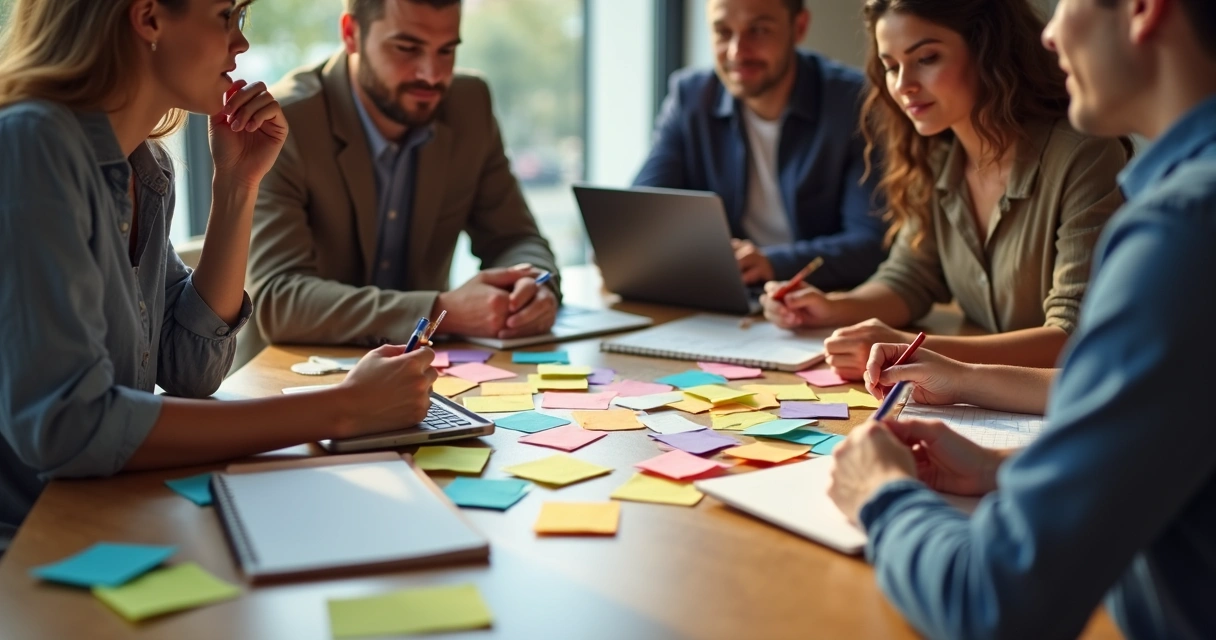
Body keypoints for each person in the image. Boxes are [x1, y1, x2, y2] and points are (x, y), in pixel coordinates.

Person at [828, 0, 1216, 635]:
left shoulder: (1182, 230)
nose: (1051, 33)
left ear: (1145, 10)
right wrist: (999, 468)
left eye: (1068, 4)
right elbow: (1167, 413)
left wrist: (881, 495)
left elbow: (993, 603)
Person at [0, 0, 440, 556]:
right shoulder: (29, 145)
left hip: (112, 519)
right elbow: (70, 427)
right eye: (225, 16)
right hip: (31, 554)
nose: (242, 44)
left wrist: (237, 184)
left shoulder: (145, 168)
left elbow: (190, 367)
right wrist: (341, 408)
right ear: (149, 18)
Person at [762, 0, 1132, 381]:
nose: (903, 85)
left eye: (926, 58)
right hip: (977, 399)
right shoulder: (936, 156)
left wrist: (907, 349)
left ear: (989, 50)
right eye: (891, 67)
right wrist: (833, 307)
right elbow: (910, 276)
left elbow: (1072, 336)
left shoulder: (1083, 155)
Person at [240, 0, 560, 366]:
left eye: (447, 50)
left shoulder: (469, 104)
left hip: (424, 375)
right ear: (351, 34)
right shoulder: (284, 122)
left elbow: (516, 238)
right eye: (407, 48)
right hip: (293, 378)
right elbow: (277, 300)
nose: (432, 74)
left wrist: (534, 289)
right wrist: (441, 311)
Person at [632, 0, 887, 291]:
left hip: (825, 303)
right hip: (728, 302)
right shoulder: (690, 97)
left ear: (799, 27)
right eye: (722, 32)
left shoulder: (855, 103)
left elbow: (872, 244)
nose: (737, 51)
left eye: (759, 30)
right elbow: (641, 213)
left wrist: (773, 262)